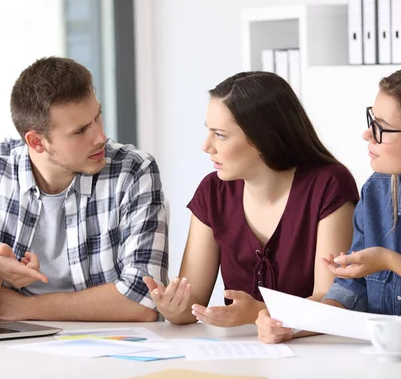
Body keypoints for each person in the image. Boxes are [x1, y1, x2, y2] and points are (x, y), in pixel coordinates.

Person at [257, 65, 401, 343]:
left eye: (382, 128)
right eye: (372, 120)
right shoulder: (378, 190)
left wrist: (391, 261)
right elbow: (352, 290)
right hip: (392, 360)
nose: (367, 135)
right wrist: (293, 324)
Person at [0, 56, 168, 322]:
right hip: (12, 347)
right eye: (80, 131)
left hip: (109, 347)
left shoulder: (133, 170)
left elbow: (143, 301)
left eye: (98, 117)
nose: (100, 137)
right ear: (36, 141)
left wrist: (25, 308)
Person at [144, 71, 359, 327]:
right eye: (208, 132)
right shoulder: (212, 192)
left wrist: (261, 311)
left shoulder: (329, 185)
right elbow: (192, 305)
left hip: (313, 353)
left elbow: (331, 302)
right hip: (239, 353)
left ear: (262, 138)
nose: (206, 146)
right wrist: (172, 308)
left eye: (220, 135)